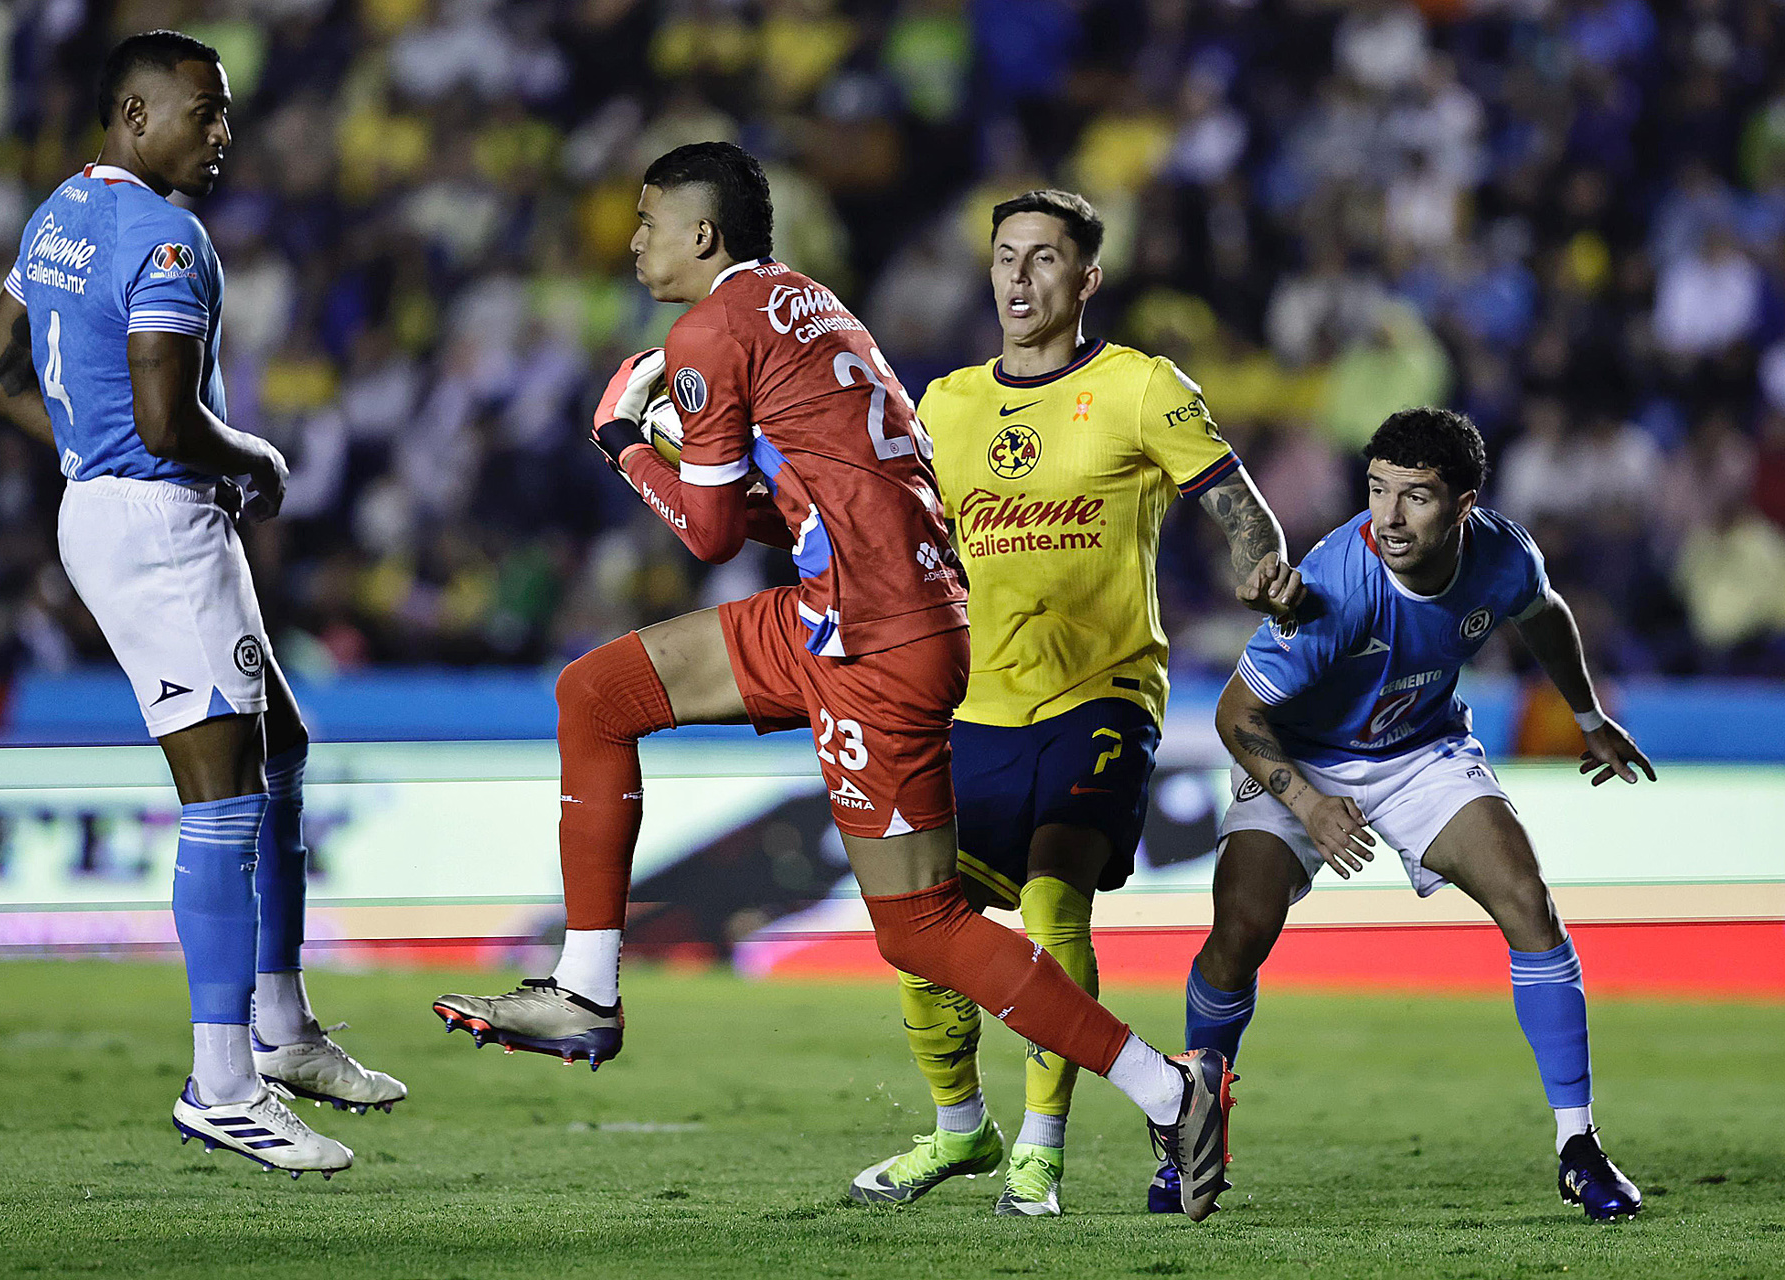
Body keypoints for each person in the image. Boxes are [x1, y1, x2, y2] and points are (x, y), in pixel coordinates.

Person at [430, 143, 1235, 1220]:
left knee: (920, 926)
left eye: (647, 219)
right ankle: (584, 987)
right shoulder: (808, 304)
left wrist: (625, 442)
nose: (631, 241)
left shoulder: (710, 328)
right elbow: (808, 506)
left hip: (873, 638)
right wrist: (695, 458)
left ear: (703, 235)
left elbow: (711, 534)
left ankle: (1167, 1085)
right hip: (853, 611)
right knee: (598, 694)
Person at [0, 30, 403, 1180]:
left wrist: (88, 455)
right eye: (203, 113)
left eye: (226, 116)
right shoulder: (169, 239)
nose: (223, 135)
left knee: (280, 747)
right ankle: (223, 1084)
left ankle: (283, 1025)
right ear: (134, 109)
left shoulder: (56, 213)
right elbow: (170, 425)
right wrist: (257, 458)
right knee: (220, 792)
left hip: (111, 509)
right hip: (161, 523)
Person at [848, 189, 1302, 1217]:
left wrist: (1261, 560)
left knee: (1056, 895)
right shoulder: (950, 405)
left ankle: (1041, 1152)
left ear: (1085, 278)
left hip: (1103, 695)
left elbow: (1234, 500)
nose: (1018, 277)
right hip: (973, 704)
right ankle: (960, 1128)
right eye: (1005, 256)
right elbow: (898, 544)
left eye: (1044, 258)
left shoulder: (1141, 388)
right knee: (918, 922)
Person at [1182, 406, 1649, 1221]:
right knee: (1239, 933)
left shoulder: (1503, 556)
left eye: (1416, 497)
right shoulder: (1332, 586)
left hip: (1420, 753)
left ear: (1464, 505)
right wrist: (1308, 802)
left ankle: (1579, 1147)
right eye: (1376, 491)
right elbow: (1234, 717)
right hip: (1300, 758)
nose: (1389, 518)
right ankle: (1192, 1130)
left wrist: (1587, 717)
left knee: (1529, 905)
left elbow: (1545, 618)